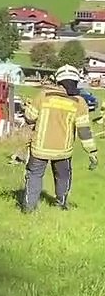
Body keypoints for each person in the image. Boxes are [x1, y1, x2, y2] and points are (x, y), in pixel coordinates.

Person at [20, 64, 99, 213]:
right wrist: (92, 151)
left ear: (58, 80)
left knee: (34, 176)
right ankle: (60, 204)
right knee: (63, 177)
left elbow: (30, 117)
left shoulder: (43, 95)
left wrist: (29, 107)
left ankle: (29, 209)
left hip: (40, 148)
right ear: (75, 81)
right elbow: (84, 131)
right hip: (63, 150)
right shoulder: (79, 103)